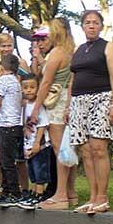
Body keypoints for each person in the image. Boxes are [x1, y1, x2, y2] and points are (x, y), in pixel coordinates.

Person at [68, 10, 113, 215]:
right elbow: (73, 78)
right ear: (82, 26)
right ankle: (92, 197)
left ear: (101, 26)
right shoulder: (79, 49)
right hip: (79, 101)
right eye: (87, 22)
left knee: (99, 147)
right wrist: (69, 106)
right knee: (85, 150)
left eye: (95, 22)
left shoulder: (109, 47)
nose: (91, 26)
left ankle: (102, 197)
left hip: (102, 98)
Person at [29, 18, 77, 209]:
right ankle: (71, 193)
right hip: (67, 99)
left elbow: (46, 82)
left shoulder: (57, 53)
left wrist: (35, 107)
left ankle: (61, 195)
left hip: (56, 102)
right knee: (68, 148)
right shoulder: (70, 51)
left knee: (59, 149)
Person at [0, 32, 31, 188]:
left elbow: (29, 84)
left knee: (17, 155)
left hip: (15, 113)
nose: (6, 49)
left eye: (9, 45)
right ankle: (2, 184)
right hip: (0, 113)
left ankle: (22, 187)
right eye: (3, 45)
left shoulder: (19, 62)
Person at [0, 53, 24, 207]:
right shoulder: (16, 81)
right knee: (9, 159)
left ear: (2, 67)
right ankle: (6, 190)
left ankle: (13, 191)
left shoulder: (3, 80)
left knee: (6, 160)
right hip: (16, 124)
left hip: (6, 125)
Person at [18, 75, 51, 209]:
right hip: (28, 143)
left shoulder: (39, 107)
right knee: (32, 169)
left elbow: (42, 125)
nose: (29, 90)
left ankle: (39, 194)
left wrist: (38, 143)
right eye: (25, 88)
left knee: (40, 169)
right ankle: (34, 192)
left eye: (32, 87)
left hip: (40, 144)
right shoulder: (24, 107)